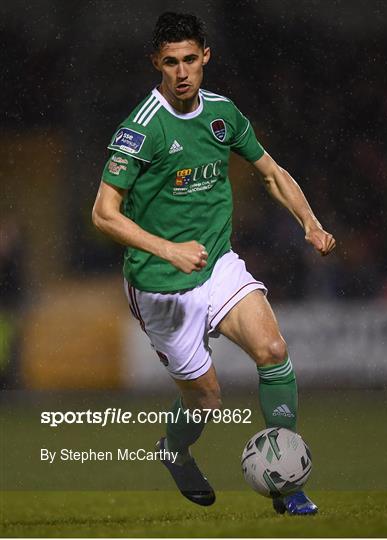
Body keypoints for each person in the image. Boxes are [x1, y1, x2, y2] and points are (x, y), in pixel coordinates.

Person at [92, 11, 336, 515]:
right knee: (206, 400)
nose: (181, 72)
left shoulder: (222, 114)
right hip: (160, 285)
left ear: (205, 57)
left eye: (189, 60)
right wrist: (168, 248)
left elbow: (270, 171)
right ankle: (173, 448)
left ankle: (288, 482)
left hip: (217, 263)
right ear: (156, 65)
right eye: (170, 63)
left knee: (272, 348)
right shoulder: (142, 130)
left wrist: (308, 222)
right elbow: (103, 214)